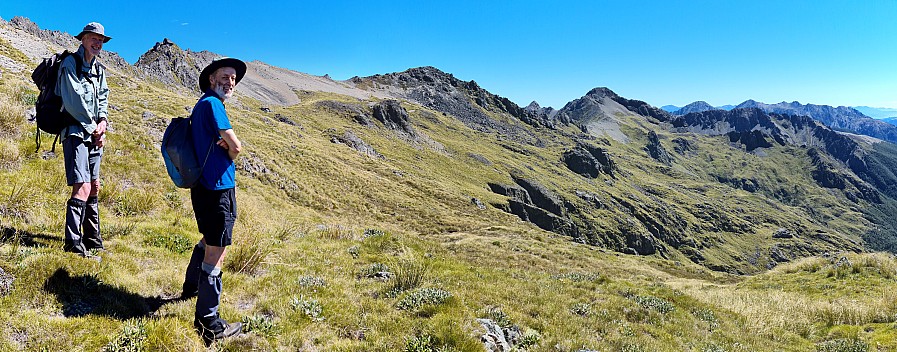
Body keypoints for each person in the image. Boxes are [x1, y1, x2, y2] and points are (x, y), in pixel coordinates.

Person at [180, 57, 246, 342]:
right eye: (225, 76)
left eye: (233, 78)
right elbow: (236, 147)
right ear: (211, 78)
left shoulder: (201, 104)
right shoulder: (214, 104)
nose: (230, 82)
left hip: (202, 186)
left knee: (209, 238)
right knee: (217, 251)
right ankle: (209, 324)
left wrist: (227, 145)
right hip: (218, 188)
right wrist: (231, 150)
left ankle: (191, 287)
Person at [59, 22, 111, 260]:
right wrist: (94, 129)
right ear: (83, 39)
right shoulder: (70, 64)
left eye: (100, 40)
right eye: (93, 38)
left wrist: (103, 122)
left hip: (94, 135)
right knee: (82, 186)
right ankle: (73, 243)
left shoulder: (99, 69)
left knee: (94, 185)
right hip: (75, 133)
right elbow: (74, 101)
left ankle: (92, 239)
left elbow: (103, 97)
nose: (97, 43)